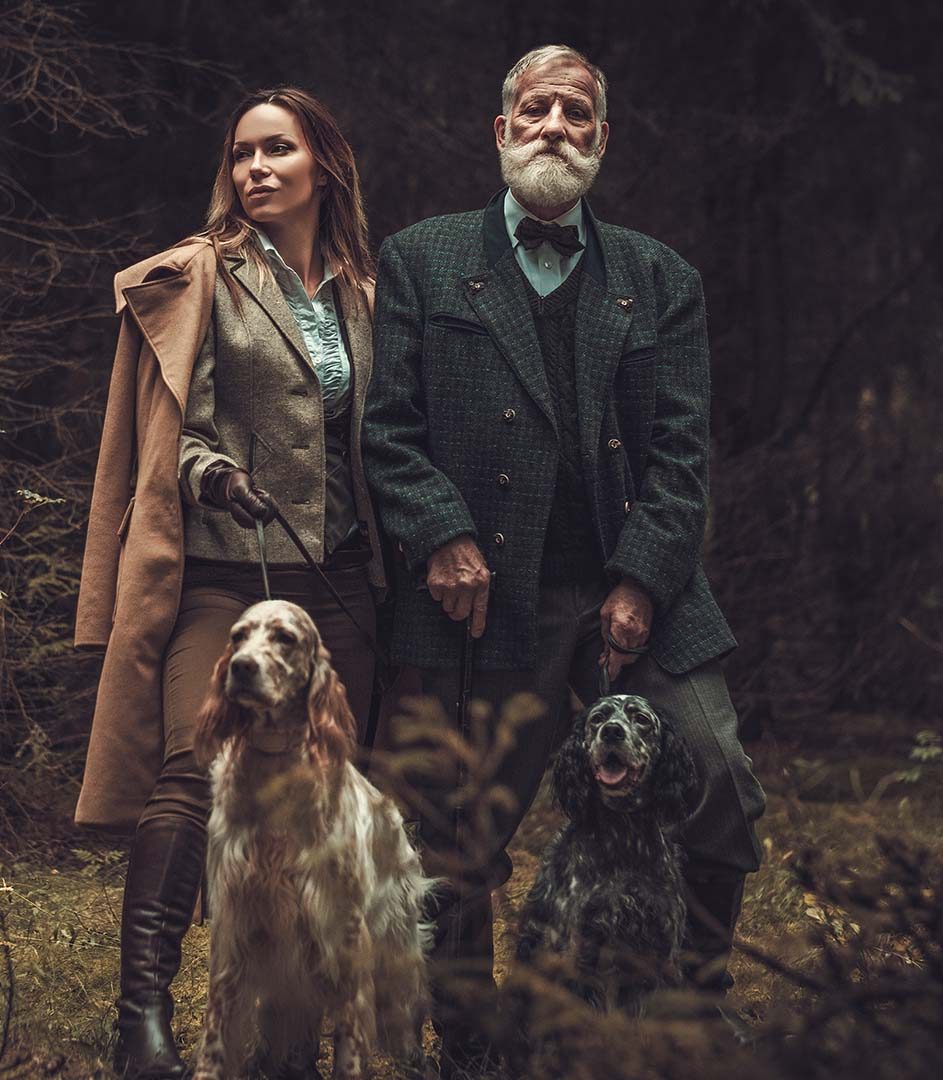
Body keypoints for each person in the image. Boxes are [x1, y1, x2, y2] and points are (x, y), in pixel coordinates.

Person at [363, 44, 766, 1074]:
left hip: (640, 590)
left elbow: (683, 453)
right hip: (485, 601)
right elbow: (389, 430)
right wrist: (441, 533)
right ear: (500, 133)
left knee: (717, 784)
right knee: (457, 831)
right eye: (534, 109)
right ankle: (470, 1035)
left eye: (576, 113)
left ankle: (687, 1000)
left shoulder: (659, 278)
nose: (555, 126)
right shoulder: (420, 258)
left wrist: (640, 580)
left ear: (600, 139)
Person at [74, 87, 384, 1079]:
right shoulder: (208, 277)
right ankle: (143, 1021)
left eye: (277, 150)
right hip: (221, 574)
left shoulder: (364, 292)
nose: (254, 168)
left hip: (338, 578)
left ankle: (292, 1028)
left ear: (322, 167)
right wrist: (215, 474)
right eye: (242, 152)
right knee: (191, 773)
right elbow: (185, 425)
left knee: (322, 793)